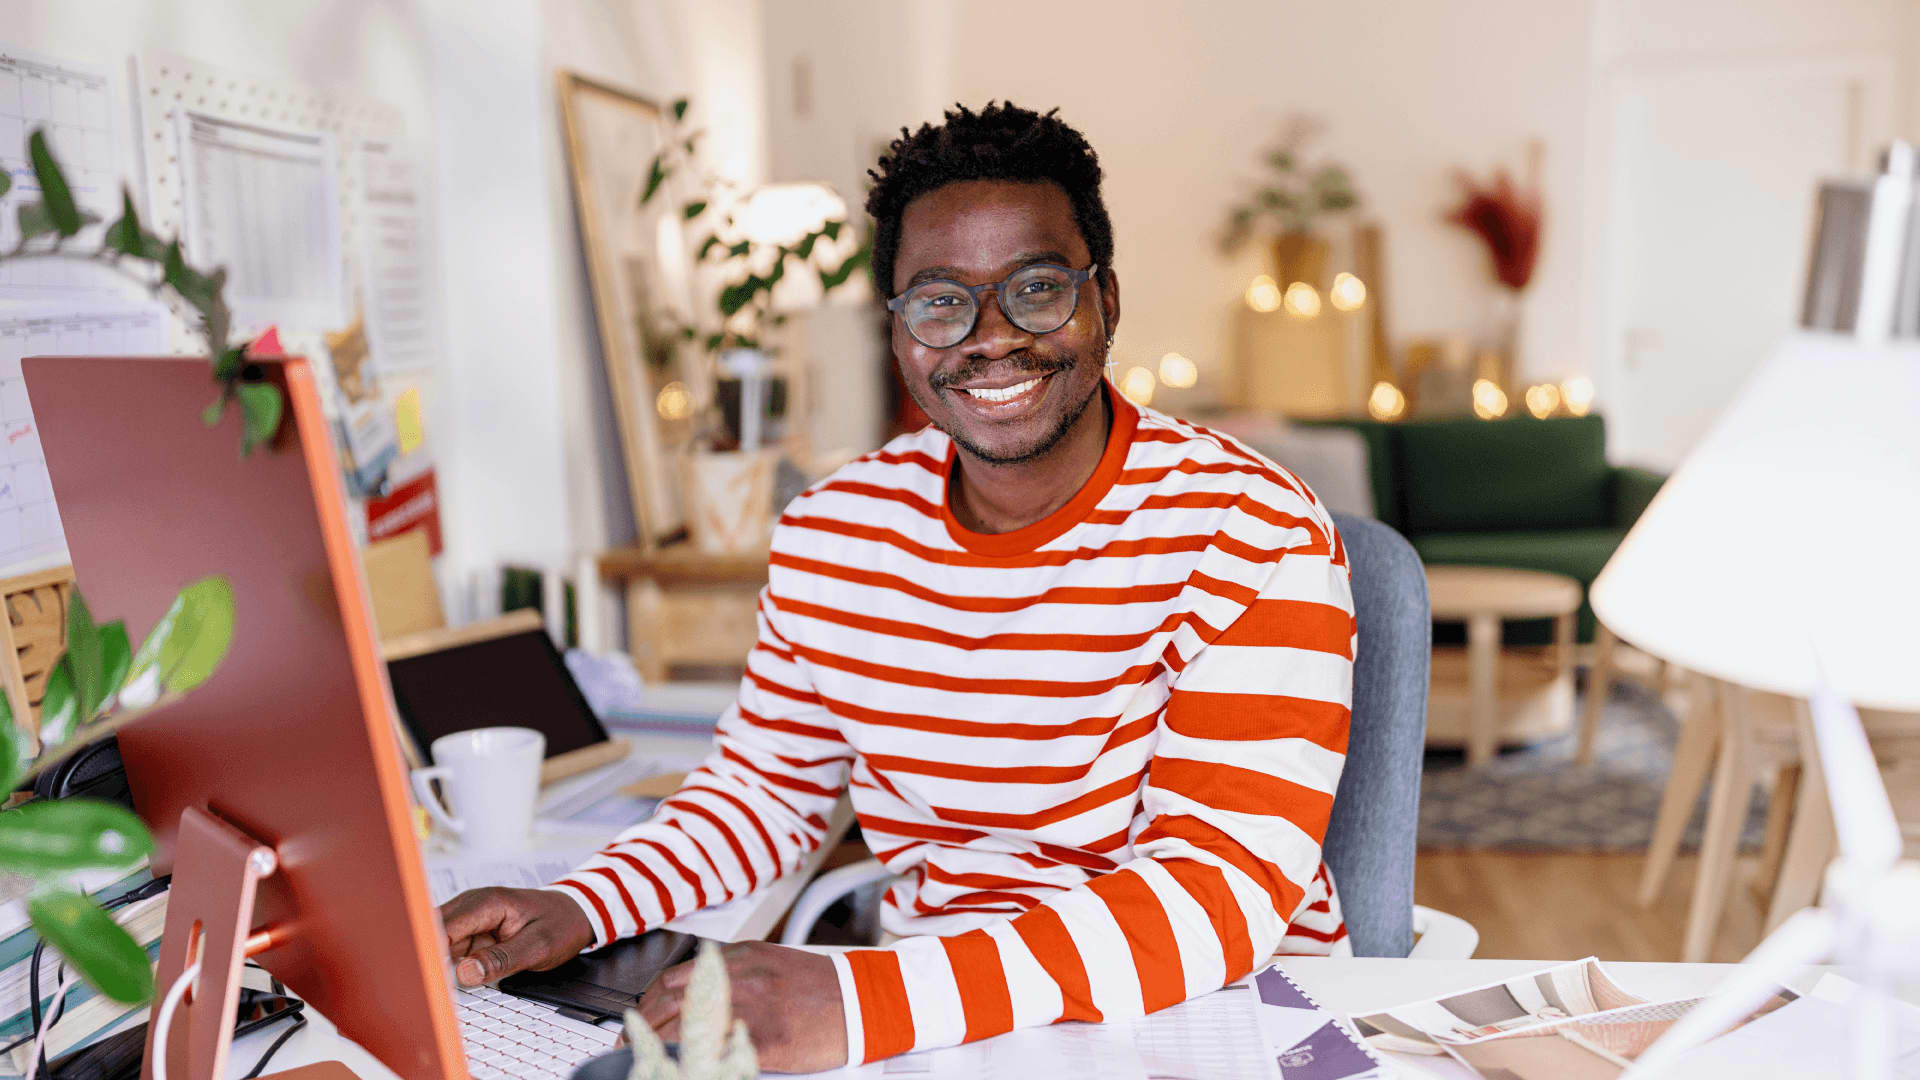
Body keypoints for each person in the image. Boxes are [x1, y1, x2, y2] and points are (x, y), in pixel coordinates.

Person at [439, 101, 1355, 1073]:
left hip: (1212, 1016)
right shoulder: (833, 533)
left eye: (1037, 288)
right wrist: (580, 905)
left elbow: (1212, 899)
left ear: (1108, 301)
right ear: (900, 332)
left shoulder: (1250, 531)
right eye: (939, 300)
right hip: (944, 1027)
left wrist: (865, 996)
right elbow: (764, 792)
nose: (992, 337)